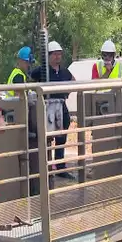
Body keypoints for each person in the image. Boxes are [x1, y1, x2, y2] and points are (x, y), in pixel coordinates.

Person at [30, 41, 76, 180]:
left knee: (61, 137)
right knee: (46, 138)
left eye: (59, 54)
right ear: (48, 56)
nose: (57, 57)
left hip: (61, 106)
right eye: (55, 54)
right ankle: (45, 167)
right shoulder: (40, 71)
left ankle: (60, 167)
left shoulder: (64, 71)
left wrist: (66, 92)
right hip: (46, 107)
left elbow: (74, 81)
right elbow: (30, 82)